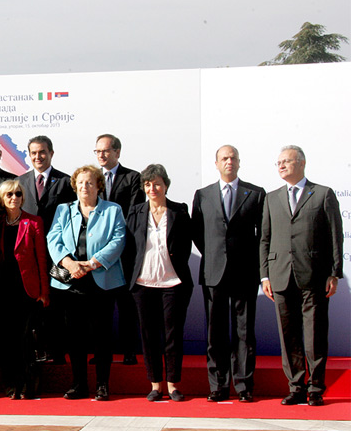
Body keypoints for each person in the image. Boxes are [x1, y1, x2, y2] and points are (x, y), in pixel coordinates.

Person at [260, 145, 343, 407]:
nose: (281, 166)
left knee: (315, 334)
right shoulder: (272, 198)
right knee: (289, 336)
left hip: (314, 275)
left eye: (286, 161)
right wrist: (264, 276)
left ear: (302, 163)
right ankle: (295, 387)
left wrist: (334, 272)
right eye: (278, 162)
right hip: (280, 275)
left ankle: (315, 388)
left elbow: (335, 236)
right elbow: (264, 239)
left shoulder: (322, 194)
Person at [192, 145, 265, 403]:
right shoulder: (203, 195)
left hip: (245, 272)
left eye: (233, 158)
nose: (229, 161)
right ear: (216, 163)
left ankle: (243, 386)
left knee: (244, 332)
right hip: (214, 272)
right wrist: (215, 255)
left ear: (239, 162)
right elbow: (197, 233)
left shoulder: (255, 193)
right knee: (216, 333)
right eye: (224, 158)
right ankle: (218, 385)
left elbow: (262, 234)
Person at [46, 166, 126, 401]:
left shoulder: (112, 210)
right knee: (75, 337)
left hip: (102, 281)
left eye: (90, 182)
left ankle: (102, 385)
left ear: (98, 185)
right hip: (71, 282)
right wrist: (69, 264)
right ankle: (78, 384)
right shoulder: (63, 210)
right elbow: (53, 238)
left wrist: (92, 263)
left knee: (102, 336)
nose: (84, 187)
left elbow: (118, 240)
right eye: (80, 183)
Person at [125, 164, 193, 402]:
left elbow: (185, 246)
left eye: (156, 184)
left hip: (172, 283)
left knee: (172, 336)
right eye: (147, 184)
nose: (152, 189)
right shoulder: (135, 211)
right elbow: (129, 247)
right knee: (149, 336)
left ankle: (173, 385)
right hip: (143, 284)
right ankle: (155, 384)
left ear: (165, 185)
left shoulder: (179, 211)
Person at [18, 135, 76, 365]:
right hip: (29, 255)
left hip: (57, 255)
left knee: (57, 305)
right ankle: (35, 350)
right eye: (33, 153)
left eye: (42, 152)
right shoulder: (19, 182)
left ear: (51, 153)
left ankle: (57, 352)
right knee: (32, 304)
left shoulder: (66, 182)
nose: (38, 156)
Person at [0, 179, 50, 400]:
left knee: (25, 340)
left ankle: (28, 385)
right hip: (2, 289)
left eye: (18, 194)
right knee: (5, 340)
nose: (14, 198)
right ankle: (11, 385)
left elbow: (41, 258)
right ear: (2, 199)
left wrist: (44, 292)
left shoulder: (33, 222)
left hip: (26, 290)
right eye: (9, 194)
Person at [94, 133, 143, 365]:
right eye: (97, 151)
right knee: (100, 308)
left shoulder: (132, 178)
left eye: (105, 151)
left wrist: (116, 236)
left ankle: (129, 351)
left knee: (126, 306)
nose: (101, 155)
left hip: (125, 253)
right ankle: (100, 352)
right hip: (99, 253)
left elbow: (134, 212)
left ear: (117, 152)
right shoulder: (92, 178)